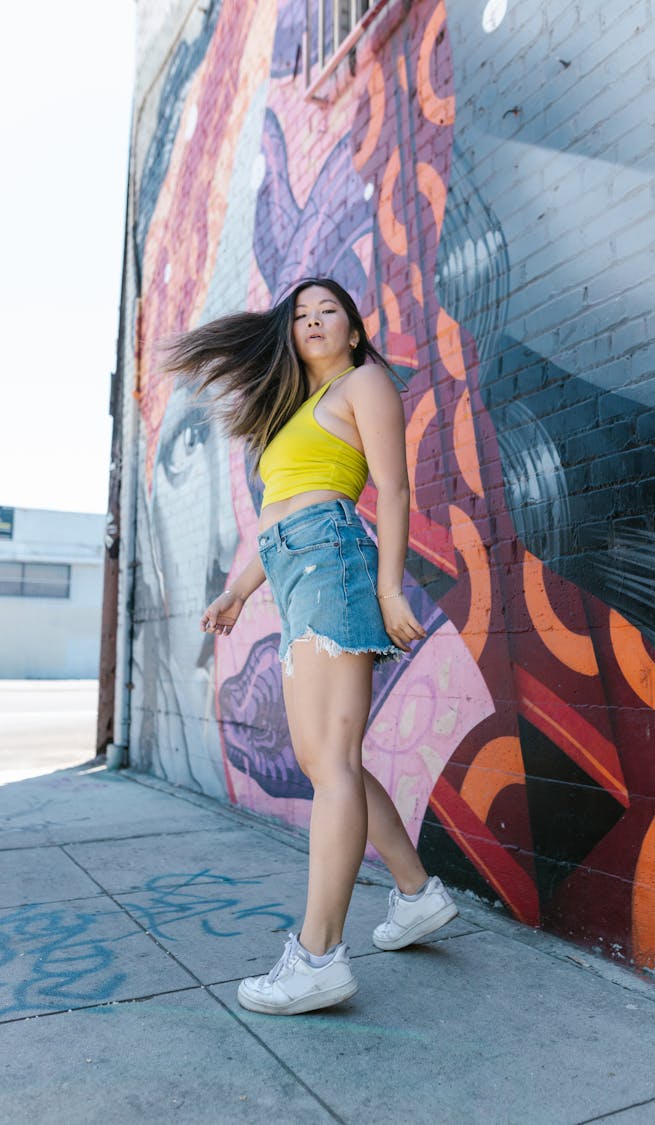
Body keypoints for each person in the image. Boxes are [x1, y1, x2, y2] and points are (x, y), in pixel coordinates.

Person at [164, 277, 457, 1015]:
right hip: (296, 571)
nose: (314, 320)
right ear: (290, 335)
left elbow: (389, 491)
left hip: (334, 563)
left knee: (330, 761)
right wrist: (237, 591)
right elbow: (281, 514)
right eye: (301, 314)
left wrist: (391, 590)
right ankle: (417, 895)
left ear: (354, 331)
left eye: (329, 310)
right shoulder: (294, 411)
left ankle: (319, 955)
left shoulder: (365, 385)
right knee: (329, 761)